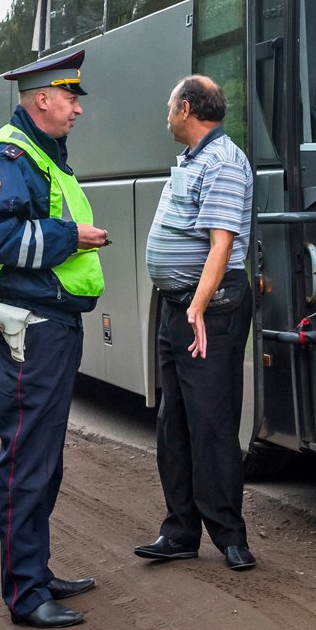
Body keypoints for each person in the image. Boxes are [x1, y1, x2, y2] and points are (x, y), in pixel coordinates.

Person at [0, 48, 110, 628]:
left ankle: (36, 571)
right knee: (27, 461)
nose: (77, 109)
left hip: (53, 326)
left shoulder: (44, 154)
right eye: (70, 98)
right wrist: (69, 236)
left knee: (45, 462)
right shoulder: (9, 155)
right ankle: (25, 595)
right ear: (42, 98)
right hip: (33, 327)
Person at [135, 75, 256, 572]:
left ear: (186, 109)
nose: (166, 115)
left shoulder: (224, 162)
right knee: (173, 423)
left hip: (206, 311)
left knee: (212, 423)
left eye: (169, 107)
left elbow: (222, 244)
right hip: (177, 307)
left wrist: (197, 307)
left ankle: (230, 535)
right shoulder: (194, 159)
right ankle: (180, 532)